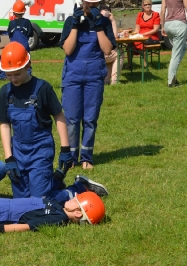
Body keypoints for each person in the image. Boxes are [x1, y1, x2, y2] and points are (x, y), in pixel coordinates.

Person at [0, 41, 72, 199]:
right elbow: (5, 125)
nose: (13, 79)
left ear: (28, 65)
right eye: (9, 75)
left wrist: (65, 149)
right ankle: (54, 181)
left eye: (17, 73)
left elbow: (59, 116)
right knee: (21, 203)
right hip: (18, 151)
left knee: (39, 202)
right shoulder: (5, 93)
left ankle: (76, 189)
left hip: (40, 149)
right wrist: (9, 157)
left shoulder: (43, 89)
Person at [60, 0, 116, 170]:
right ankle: (71, 157)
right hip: (73, 76)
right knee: (71, 118)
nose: (91, 6)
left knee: (90, 119)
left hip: (94, 76)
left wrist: (99, 26)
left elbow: (107, 50)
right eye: (88, 3)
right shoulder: (70, 21)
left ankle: (86, 157)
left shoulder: (104, 22)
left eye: (95, 3)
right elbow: (68, 50)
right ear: (82, 2)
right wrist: (76, 25)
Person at [160, 0, 187, 87]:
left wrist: (162, 26)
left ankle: (173, 77)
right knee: (176, 55)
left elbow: (163, 10)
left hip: (168, 24)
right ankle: (171, 81)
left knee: (184, 47)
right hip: (179, 24)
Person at [127, 0, 160, 68]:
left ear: (151, 5)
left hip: (152, 36)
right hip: (140, 35)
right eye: (145, 5)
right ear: (142, 6)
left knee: (142, 42)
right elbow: (137, 29)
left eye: (149, 4)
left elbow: (155, 29)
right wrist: (133, 35)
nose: (147, 6)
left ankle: (144, 63)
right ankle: (129, 64)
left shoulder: (156, 14)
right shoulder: (140, 15)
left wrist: (144, 34)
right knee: (130, 44)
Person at [101, 4, 123, 84]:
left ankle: (106, 80)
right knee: (119, 53)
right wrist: (112, 20)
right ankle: (114, 80)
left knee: (113, 53)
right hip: (102, 53)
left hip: (98, 52)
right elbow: (115, 37)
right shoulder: (105, 23)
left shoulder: (97, 21)